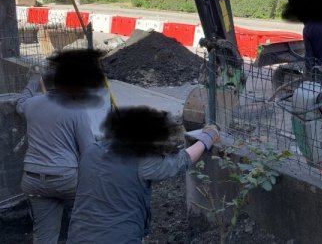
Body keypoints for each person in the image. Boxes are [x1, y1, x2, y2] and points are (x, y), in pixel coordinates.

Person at [67, 106, 220, 243]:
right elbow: (180, 161)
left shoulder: (90, 151)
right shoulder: (141, 160)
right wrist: (207, 138)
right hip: (119, 237)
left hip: (78, 235)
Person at [17, 49, 105, 244]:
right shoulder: (76, 109)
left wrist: (33, 81)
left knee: (45, 236)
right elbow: (88, 151)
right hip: (67, 180)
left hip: (33, 180)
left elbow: (20, 102)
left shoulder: (32, 104)